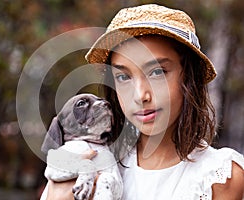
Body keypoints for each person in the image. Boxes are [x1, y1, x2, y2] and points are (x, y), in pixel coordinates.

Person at [41, 4, 244, 200]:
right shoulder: (86, 162)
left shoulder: (221, 175)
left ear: (189, 77)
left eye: (157, 72)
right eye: (123, 77)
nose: (140, 95)